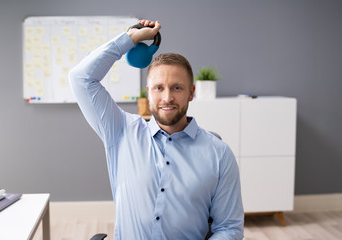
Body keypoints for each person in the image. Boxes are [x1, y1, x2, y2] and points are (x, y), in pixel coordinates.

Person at [69, 19, 244, 240]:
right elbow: (81, 78)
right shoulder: (121, 131)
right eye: (159, 88)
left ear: (191, 93)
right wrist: (130, 38)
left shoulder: (219, 154)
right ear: (148, 92)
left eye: (177, 88)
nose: (167, 97)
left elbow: (229, 229)